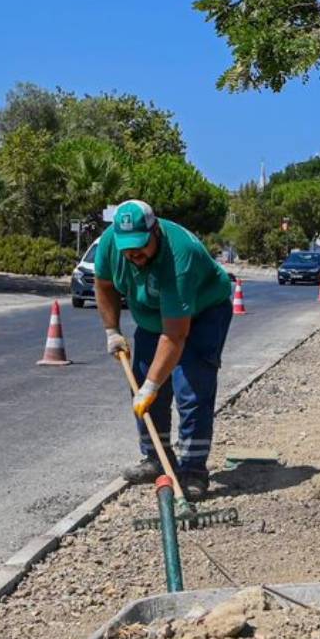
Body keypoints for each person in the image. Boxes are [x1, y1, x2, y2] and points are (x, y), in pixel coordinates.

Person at [94, 199, 234, 499]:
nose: (134, 254)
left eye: (141, 246)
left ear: (155, 231)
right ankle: (157, 458)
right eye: (127, 248)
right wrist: (112, 331)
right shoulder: (110, 244)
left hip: (203, 311)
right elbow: (103, 285)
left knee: (192, 387)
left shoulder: (178, 256)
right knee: (141, 383)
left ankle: (193, 470)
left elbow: (175, 335)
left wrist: (153, 385)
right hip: (155, 316)